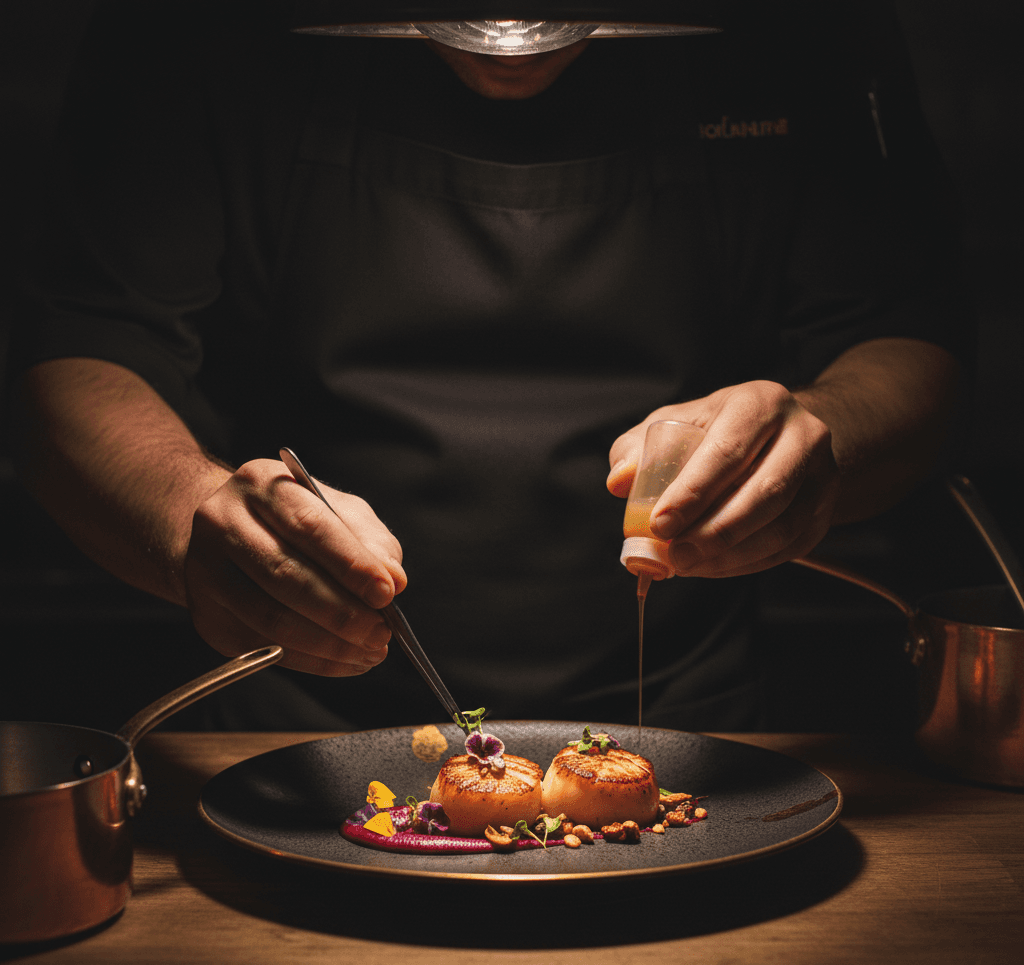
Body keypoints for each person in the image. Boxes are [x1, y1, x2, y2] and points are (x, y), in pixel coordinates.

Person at [7, 1, 967, 730]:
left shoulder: (805, 32)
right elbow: (80, 352)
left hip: (700, 723)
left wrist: (818, 440)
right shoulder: (191, 32)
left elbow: (906, 339)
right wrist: (192, 521)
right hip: (284, 731)